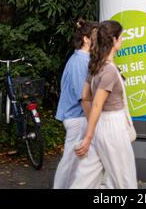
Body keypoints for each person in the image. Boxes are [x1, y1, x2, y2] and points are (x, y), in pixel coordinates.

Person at [70, 20, 137, 189]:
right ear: (113, 40)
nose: (122, 41)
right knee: (124, 180)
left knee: (85, 180)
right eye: (121, 37)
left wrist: (91, 128)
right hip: (114, 128)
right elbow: (98, 103)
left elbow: (85, 98)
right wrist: (88, 137)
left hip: (99, 126)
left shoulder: (94, 67)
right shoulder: (110, 71)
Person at [53, 19, 98, 189]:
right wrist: (93, 125)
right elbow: (84, 97)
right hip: (78, 118)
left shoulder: (79, 58)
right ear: (86, 39)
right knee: (70, 162)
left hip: (77, 117)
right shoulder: (80, 61)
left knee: (75, 162)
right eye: (96, 36)